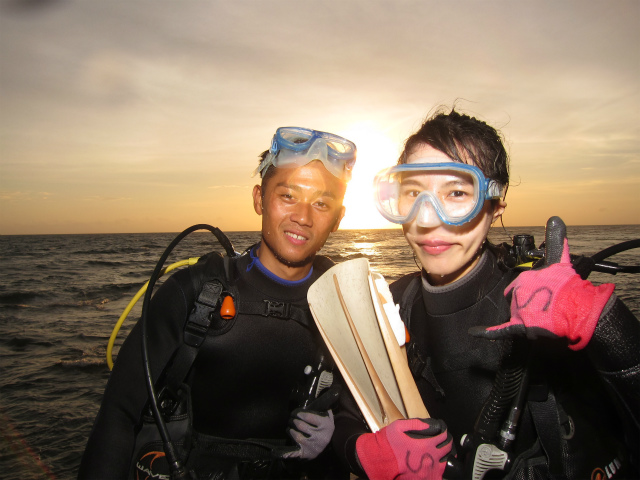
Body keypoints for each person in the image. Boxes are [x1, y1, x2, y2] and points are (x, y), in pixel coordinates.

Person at [332, 108, 640, 479]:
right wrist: (363, 454)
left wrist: (604, 322)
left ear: (494, 206)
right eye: (413, 192)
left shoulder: (547, 310)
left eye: (457, 192)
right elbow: (347, 414)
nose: (427, 219)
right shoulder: (390, 304)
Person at [78, 127, 357, 480]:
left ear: (338, 218)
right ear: (259, 199)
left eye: (321, 203)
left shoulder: (351, 309)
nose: (303, 216)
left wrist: (342, 438)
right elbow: (119, 413)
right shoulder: (195, 294)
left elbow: (374, 420)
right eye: (288, 195)